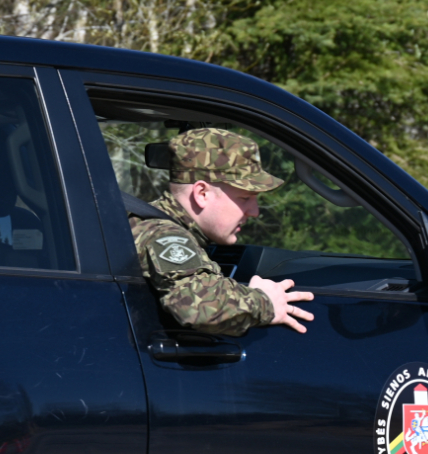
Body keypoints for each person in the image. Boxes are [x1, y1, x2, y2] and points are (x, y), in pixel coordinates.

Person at [128, 128, 315, 336]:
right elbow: (198, 308)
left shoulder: (156, 226)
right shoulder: (164, 235)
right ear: (202, 193)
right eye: (245, 198)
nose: (255, 211)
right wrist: (264, 302)